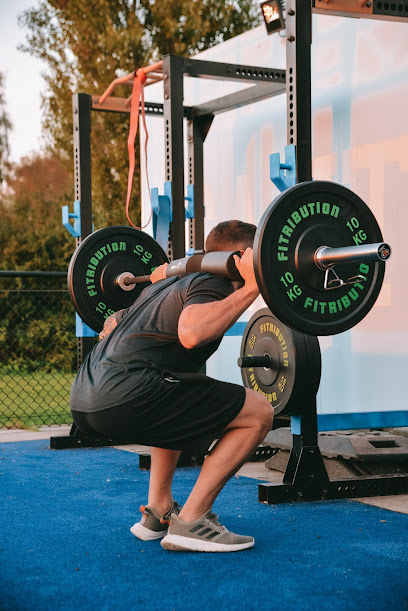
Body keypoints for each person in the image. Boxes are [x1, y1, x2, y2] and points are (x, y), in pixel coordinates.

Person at [70, 220, 274, 553]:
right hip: (124, 392)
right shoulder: (215, 281)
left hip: (85, 395)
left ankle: (159, 510)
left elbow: (114, 321)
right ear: (242, 256)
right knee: (259, 413)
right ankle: (192, 519)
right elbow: (191, 333)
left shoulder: (164, 286)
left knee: (177, 389)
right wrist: (252, 288)